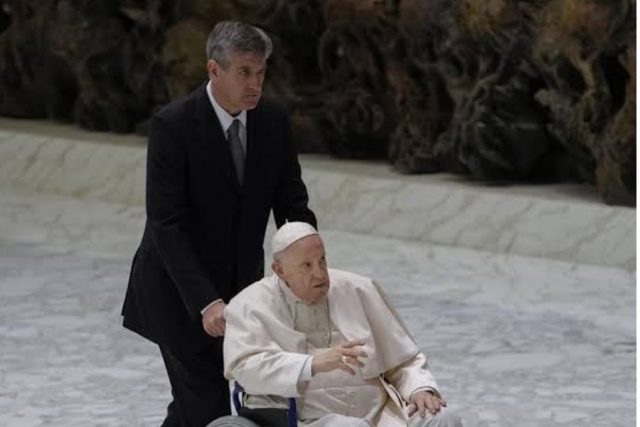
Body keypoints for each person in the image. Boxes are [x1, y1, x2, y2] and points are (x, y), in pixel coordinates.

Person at [121, 21, 317, 426]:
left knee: (206, 406)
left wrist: (311, 264)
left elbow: (292, 205)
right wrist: (206, 302)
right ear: (214, 70)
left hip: (243, 295)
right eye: (244, 72)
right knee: (205, 403)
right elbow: (166, 224)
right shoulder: (172, 126)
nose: (255, 84)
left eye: (261, 72)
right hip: (178, 296)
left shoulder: (272, 122)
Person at [212, 222, 463, 427]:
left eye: (322, 261)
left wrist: (420, 389)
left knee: (443, 419)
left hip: (382, 415)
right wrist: (312, 364)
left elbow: (403, 360)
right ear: (279, 270)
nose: (320, 274)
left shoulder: (358, 289)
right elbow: (246, 369)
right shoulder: (250, 304)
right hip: (307, 420)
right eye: (306, 266)